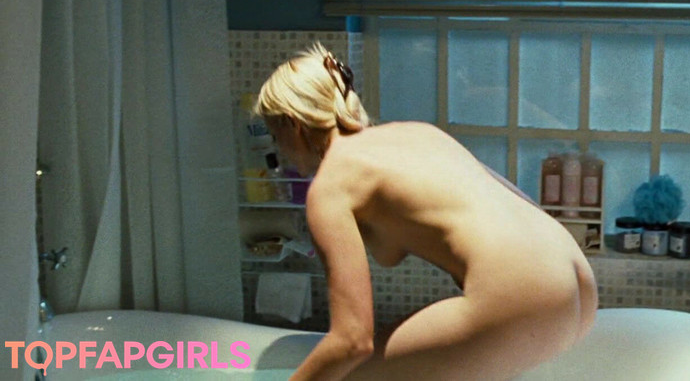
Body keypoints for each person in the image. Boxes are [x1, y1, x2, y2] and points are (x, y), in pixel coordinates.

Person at [248, 42, 597, 381]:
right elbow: (522, 203)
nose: (280, 152)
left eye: (276, 137)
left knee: (347, 376)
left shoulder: (331, 185)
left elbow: (352, 340)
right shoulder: (418, 133)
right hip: (578, 284)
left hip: (523, 299)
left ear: (293, 125)